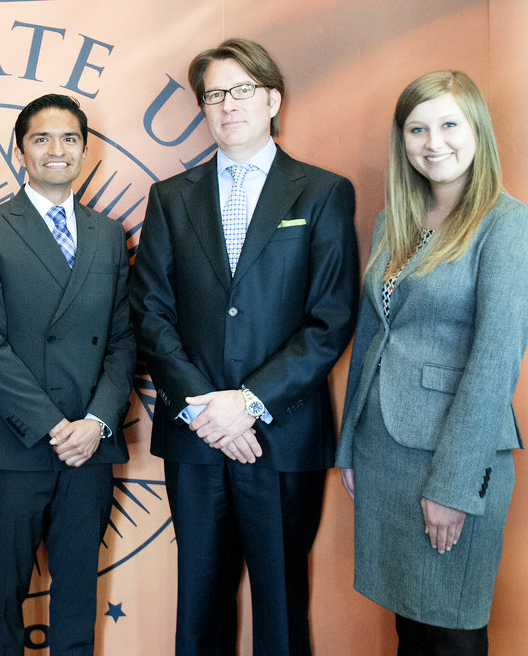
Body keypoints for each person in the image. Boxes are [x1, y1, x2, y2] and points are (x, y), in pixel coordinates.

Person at [129, 38, 359, 655]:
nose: (228, 105)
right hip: (196, 439)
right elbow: (150, 312)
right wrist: (208, 409)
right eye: (214, 95)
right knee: (199, 610)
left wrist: (249, 402)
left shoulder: (321, 192)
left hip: (282, 438)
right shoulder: (171, 198)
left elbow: (330, 320)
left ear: (272, 98)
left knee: (281, 611)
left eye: (242, 90)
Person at [336, 71, 528, 655]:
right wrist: (349, 446)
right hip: (386, 454)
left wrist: (453, 486)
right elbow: (372, 337)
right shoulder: (396, 220)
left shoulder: (506, 223)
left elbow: (496, 362)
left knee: (451, 630)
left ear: (478, 131)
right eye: (417, 128)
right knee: (412, 624)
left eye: (449, 124)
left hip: (453, 459)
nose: (433, 142)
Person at [0, 93, 135, 656]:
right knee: (4, 599)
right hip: (20, 443)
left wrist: (97, 422)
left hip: (91, 447)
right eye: (41, 139)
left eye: (70, 139)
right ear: (20, 151)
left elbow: (123, 339)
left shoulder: (107, 234)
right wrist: (56, 426)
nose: (57, 150)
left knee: (79, 591)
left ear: (85, 149)